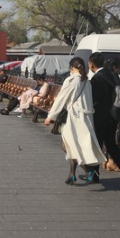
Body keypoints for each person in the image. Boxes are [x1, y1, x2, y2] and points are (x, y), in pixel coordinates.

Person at [45, 57, 105, 185]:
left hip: (75, 118)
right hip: (86, 118)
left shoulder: (72, 80)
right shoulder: (86, 81)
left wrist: (51, 116)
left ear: (72, 67)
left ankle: (88, 171)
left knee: (68, 145)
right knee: (73, 145)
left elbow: (61, 98)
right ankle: (72, 174)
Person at [88, 52, 120, 189]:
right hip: (114, 117)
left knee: (96, 145)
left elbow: (94, 100)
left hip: (100, 117)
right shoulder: (113, 75)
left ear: (91, 64)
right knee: (111, 146)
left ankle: (95, 175)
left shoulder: (96, 79)